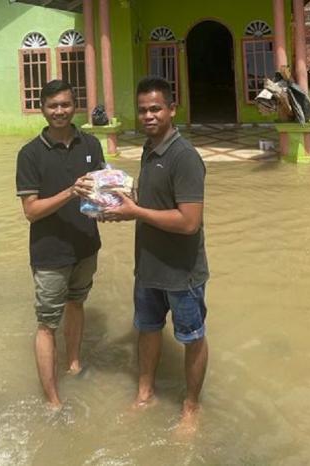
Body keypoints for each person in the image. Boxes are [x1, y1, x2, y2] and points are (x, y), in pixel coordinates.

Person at [105, 77, 209, 432]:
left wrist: (135, 212)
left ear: (171, 109)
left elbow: (189, 222)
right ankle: (145, 392)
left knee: (192, 338)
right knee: (147, 330)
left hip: (182, 272)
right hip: (148, 266)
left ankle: (191, 407)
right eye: (143, 110)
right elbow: (147, 202)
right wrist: (113, 200)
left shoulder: (185, 158)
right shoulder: (150, 150)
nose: (148, 116)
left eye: (155, 109)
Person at [15, 79, 105, 408]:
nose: (60, 111)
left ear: (74, 106)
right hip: (50, 254)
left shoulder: (91, 145)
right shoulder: (29, 154)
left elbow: (99, 193)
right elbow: (31, 212)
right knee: (47, 324)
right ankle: (53, 400)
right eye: (52, 106)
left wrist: (114, 205)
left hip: (86, 247)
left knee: (77, 303)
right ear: (42, 109)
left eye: (65, 105)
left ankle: (75, 363)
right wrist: (70, 191)